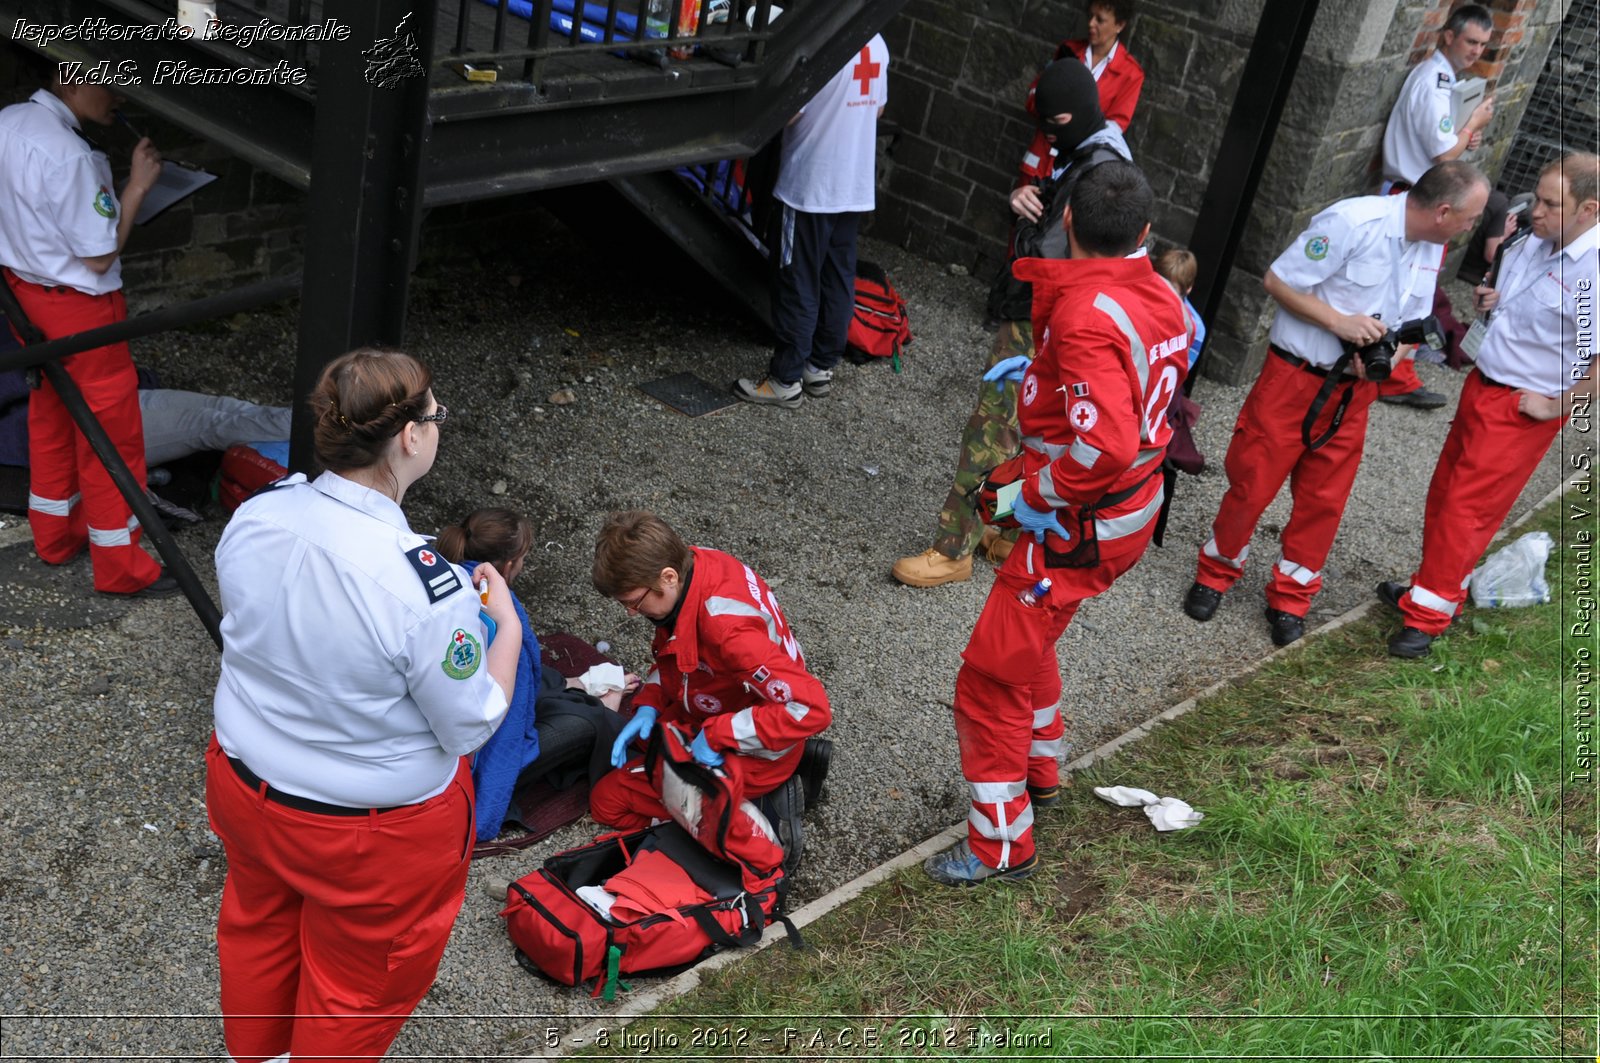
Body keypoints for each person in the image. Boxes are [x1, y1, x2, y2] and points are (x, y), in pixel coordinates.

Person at [205, 348, 521, 1062]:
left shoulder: (260, 514)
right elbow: (471, 719)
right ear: (410, 436)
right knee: (357, 988)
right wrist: (505, 627)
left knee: (257, 931)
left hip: (246, 786)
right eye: (436, 416)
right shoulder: (423, 586)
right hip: (369, 838)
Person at [923, 160, 1191, 886]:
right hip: (1125, 509)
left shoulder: (1084, 314)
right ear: (1144, 233)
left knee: (986, 677)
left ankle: (1002, 844)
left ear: (1066, 219)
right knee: (1032, 636)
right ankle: (1042, 766)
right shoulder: (1160, 291)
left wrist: (1040, 492)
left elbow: (1101, 443)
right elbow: (1146, 381)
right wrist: (1047, 377)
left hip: (1080, 523)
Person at [1181, 161, 1490, 646]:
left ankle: (1290, 598)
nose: (1473, 226)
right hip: (1293, 381)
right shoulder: (1351, 222)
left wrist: (1391, 356)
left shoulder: (1431, 248)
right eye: (1470, 218)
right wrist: (1338, 323)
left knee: (1325, 501)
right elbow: (1277, 281)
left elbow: (1412, 325)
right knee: (1252, 485)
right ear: (1443, 211)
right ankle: (1215, 573)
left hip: (1354, 392)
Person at [894, 58, 1131, 587]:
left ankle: (953, 548)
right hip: (1058, 320)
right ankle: (1001, 530)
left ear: (1068, 118)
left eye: (1053, 125)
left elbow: (1049, 255)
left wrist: (1029, 223)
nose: (1048, 136)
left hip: (1040, 319)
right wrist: (1029, 200)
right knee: (1036, 431)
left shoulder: (1095, 166)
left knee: (991, 426)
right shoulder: (1105, 154)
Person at [1379, 153, 1599, 658]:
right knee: (1446, 493)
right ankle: (1433, 590)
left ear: (1589, 209)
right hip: (1485, 382)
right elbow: (1521, 295)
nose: (1533, 210)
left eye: (1550, 203)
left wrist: (1553, 407)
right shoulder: (1534, 235)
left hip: (1521, 405)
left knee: (1467, 508)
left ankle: (1428, 616)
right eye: (1536, 196)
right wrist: (1491, 300)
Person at [0, 63, 171, 596]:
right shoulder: (70, 154)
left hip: (25, 296)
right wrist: (137, 189)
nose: (119, 95)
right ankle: (121, 568)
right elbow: (98, 256)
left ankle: (55, 537)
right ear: (71, 77)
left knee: (50, 416)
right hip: (81, 308)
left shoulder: (6, 122)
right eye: (110, 81)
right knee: (111, 437)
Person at [589, 511, 832, 871]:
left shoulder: (727, 631)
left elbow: (812, 709)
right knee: (643, 748)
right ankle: (733, 801)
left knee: (607, 802)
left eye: (634, 603)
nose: (629, 612)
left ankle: (754, 820)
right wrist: (649, 705)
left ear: (667, 577)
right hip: (720, 708)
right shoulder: (695, 566)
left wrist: (718, 735)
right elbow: (681, 658)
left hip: (749, 746)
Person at [435, 506, 628, 841]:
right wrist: (486, 803)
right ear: (509, 565)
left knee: (550, 687)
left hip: (448, 720)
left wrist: (567, 683)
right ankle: (602, 710)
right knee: (589, 721)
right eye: (523, 558)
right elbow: (505, 725)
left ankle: (570, 687)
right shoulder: (504, 614)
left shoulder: (443, 580)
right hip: (473, 749)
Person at [734, 34, 889, 408]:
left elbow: (789, 112)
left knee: (796, 279)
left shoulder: (822, 40)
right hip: (852, 185)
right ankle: (819, 366)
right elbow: (878, 109)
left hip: (810, 184)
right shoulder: (877, 41)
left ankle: (785, 378)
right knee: (837, 276)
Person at [1375, 3, 1496, 410]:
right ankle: (1393, 376)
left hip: (1418, 194)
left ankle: (1395, 372)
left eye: (1483, 44)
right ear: (1449, 35)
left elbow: (1447, 145)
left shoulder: (1443, 80)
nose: (1477, 50)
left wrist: (1465, 135)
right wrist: (1471, 127)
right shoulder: (1435, 81)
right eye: (1471, 41)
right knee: (1409, 290)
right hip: (1417, 197)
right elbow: (1445, 155)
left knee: (1416, 292)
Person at [1019, 0, 1144, 184]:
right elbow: (1034, 97)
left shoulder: (1130, 74)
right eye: (1090, 16)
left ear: (1119, 25)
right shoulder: (1068, 50)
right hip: (1039, 159)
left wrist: (1064, 119)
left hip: (1076, 169)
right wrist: (1053, 114)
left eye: (1100, 20)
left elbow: (1113, 128)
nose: (1091, 23)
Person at [1152, 247, 1206, 369]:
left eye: (1172, 289)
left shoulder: (1195, 328)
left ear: (1188, 288)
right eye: (1160, 284)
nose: (1163, 292)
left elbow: (1182, 369)